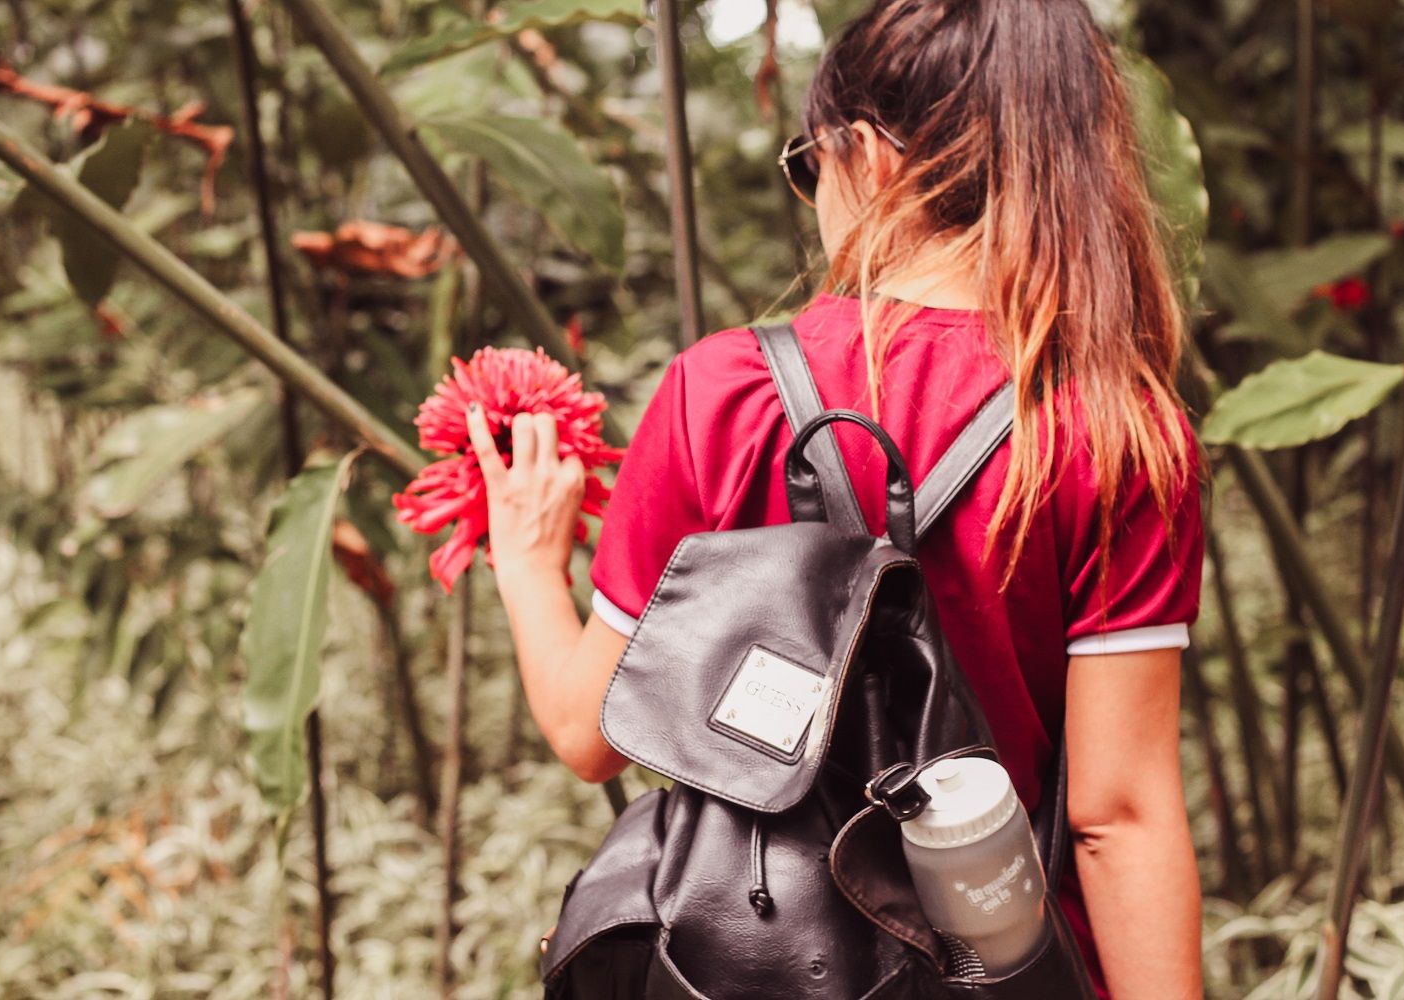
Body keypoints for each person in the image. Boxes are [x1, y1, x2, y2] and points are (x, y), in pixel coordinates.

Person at [463, 1, 1207, 997]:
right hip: (1006, 963)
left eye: (810, 165)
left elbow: (586, 731)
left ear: (871, 156)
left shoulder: (720, 393)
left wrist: (524, 559)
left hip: (759, 961)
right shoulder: (1116, 430)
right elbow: (1118, 816)